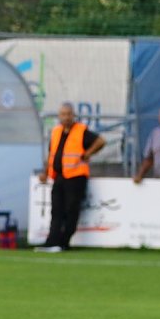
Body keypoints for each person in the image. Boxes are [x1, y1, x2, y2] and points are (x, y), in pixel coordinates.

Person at [36, 102, 106, 252]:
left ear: (73, 115)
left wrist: (88, 153)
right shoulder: (56, 132)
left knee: (71, 210)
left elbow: (101, 141)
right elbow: (51, 155)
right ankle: (51, 242)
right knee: (56, 211)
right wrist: (46, 172)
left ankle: (63, 242)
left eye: (69, 114)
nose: (66, 117)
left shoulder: (81, 131)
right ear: (59, 116)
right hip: (59, 176)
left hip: (76, 176)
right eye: (63, 114)